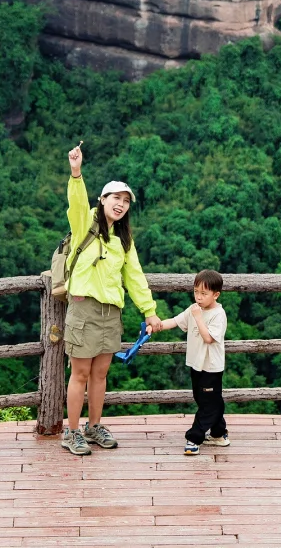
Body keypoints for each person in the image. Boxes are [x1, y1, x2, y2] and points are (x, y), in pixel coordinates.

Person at [61, 142, 163, 456]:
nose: (120, 204)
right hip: (83, 307)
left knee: (100, 374)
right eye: (115, 198)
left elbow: (134, 275)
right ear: (103, 199)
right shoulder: (84, 224)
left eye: (125, 201)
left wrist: (149, 311)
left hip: (110, 312)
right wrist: (76, 173)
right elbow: (76, 203)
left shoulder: (123, 238)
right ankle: (72, 431)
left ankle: (93, 426)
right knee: (79, 373)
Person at [158, 270, 228, 456]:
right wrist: (156, 326)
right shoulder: (193, 308)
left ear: (216, 294)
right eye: (196, 291)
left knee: (208, 404)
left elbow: (208, 338)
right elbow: (175, 321)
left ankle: (194, 438)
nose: (198, 297)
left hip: (211, 366)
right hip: (196, 363)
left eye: (204, 294)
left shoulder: (218, 315)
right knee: (207, 400)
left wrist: (197, 317)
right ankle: (219, 434)